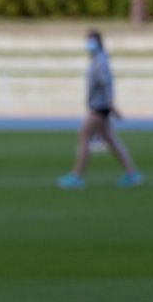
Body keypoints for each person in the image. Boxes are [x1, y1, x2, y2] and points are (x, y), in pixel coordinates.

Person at [57, 30, 142, 190]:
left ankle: (77, 176)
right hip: (99, 105)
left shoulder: (100, 60)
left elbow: (106, 83)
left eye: (91, 41)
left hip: (99, 107)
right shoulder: (97, 59)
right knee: (109, 139)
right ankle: (132, 174)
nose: (88, 44)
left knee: (84, 136)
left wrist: (111, 104)